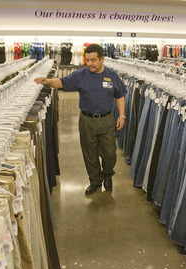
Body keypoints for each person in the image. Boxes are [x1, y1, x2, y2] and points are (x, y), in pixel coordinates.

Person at [34, 44, 126, 195]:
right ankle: (95, 181)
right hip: (86, 120)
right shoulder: (80, 75)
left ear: (102, 59)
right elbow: (62, 82)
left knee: (109, 152)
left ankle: (108, 174)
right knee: (89, 154)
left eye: (93, 60)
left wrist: (121, 115)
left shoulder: (112, 75)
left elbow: (120, 95)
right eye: (87, 60)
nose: (90, 63)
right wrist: (48, 81)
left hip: (106, 119)